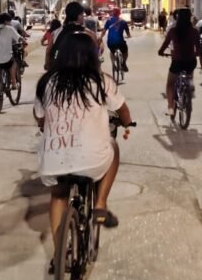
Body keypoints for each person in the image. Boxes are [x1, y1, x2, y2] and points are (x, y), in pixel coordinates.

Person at [34, 31, 133, 265]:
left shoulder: (46, 83)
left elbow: (40, 118)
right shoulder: (101, 81)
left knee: (58, 195)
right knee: (113, 148)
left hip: (53, 161)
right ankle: (100, 204)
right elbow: (122, 110)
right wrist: (127, 124)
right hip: (92, 160)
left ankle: (59, 254)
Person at [158, 6, 199, 116]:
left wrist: (160, 52)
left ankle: (171, 107)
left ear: (178, 17)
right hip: (191, 62)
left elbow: (165, 45)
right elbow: (198, 49)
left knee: (170, 84)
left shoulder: (173, 31)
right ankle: (190, 83)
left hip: (177, 62)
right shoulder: (194, 31)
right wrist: (195, 54)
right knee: (189, 71)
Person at [0, 12, 21, 88]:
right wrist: (24, 42)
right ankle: (14, 83)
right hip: (4, 58)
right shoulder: (10, 29)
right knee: (13, 63)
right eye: (9, 21)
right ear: (5, 21)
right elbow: (19, 38)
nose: (10, 23)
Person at [101, 7, 131, 72]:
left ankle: (113, 65)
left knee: (112, 52)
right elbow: (128, 34)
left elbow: (103, 32)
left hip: (110, 42)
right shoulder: (123, 21)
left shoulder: (108, 21)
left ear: (112, 13)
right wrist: (128, 37)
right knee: (125, 51)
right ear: (119, 13)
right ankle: (123, 63)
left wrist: (100, 38)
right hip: (120, 42)